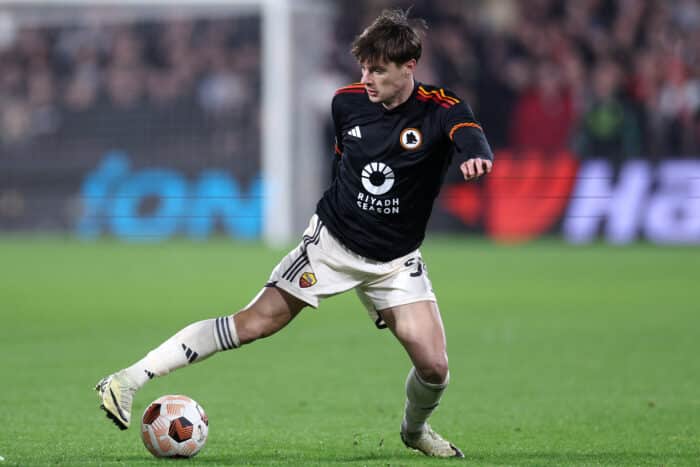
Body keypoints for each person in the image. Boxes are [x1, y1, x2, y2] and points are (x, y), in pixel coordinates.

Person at [96, 9, 493, 459]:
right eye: (363, 68)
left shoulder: (441, 107)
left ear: (409, 67)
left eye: (378, 71)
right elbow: (343, 163)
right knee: (253, 324)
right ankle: (127, 380)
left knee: (434, 367)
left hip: (395, 262)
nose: (366, 79)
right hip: (332, 247)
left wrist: (475, 155)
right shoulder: (346, 103)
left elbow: (469, 133)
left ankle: (414, 431)